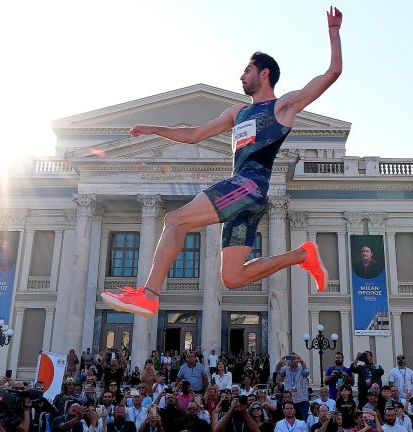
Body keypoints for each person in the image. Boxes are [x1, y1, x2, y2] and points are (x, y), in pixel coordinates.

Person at [101, 6, 345, 317]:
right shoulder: (237, 113)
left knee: (175, 220)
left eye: (247, 70)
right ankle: (301, 254)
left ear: (264, 73)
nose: (241, 76)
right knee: (233, 277)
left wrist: (333, 32)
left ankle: (148, 294)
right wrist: (153, 129)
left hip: (248, 186)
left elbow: (332, 72)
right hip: (248, 199)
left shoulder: (282, 107)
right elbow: (195, 135)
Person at [279, 355, 310, 420]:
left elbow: (307, 372)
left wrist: (302, 361)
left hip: (302, 400)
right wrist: (280, 363)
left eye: (294, 359)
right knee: (289, 419)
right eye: (290, 359)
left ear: (297, 360)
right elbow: (278, 372)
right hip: (290, 400)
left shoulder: (302, 368)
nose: (292, 360)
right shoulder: (286, 368)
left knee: (304, 420)